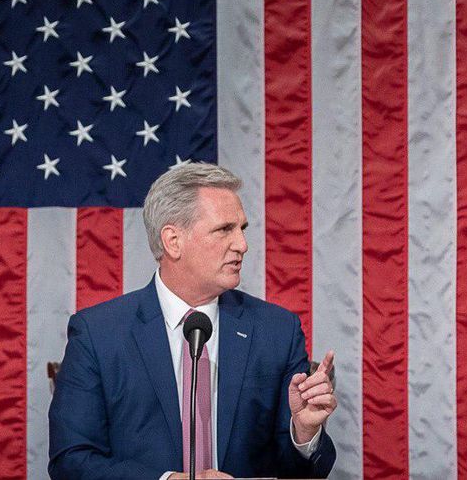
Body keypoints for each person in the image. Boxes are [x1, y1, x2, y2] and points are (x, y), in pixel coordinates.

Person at [49, 163, 338, 479]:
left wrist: (304, 432)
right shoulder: (98, 334)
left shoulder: (276, 331)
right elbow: (71, 461)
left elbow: (302, 471)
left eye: (241, 229)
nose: (242, 245)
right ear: (173, 241)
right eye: (224, 229)